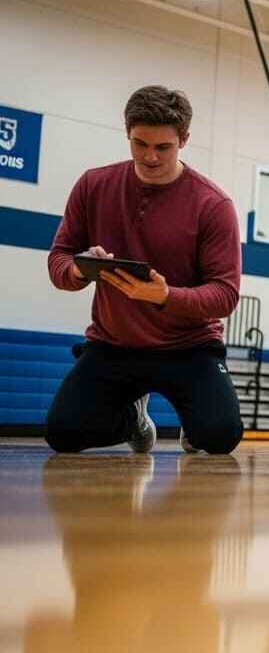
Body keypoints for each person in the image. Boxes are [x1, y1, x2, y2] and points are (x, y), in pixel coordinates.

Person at [45, 85, 243, 454]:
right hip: (112, 344)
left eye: (163, 147)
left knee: (220, 436)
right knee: (62, 434)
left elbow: (225, 295)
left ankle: (195, 426)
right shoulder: (93, 185)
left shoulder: (213, 205)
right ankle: (134, 420)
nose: (150, 157)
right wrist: (80, 271)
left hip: (190, 347)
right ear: (127, 134)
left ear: (183, 139)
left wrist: (167, 296)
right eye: (140, 144)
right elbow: (59, 258)